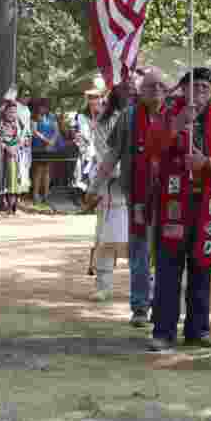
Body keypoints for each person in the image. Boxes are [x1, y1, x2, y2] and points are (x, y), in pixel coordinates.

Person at [147, 68, 211, 350]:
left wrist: (209, 163)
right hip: (174, 204)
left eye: (204, 87)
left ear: (210, 92)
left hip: (207, 205)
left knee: (202, 265)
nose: (199, 92)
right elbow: (151, 147)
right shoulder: (169, 114)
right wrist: (176, 125)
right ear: (183, 90)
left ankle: (198, 329)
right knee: (168, 268)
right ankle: (163, 331)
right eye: (194, 86)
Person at [85, 67, 170, 327]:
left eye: (160, 87)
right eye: (149, 87)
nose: (155, 92)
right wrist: (95, 186)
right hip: (134, 194)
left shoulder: (175, 117)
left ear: (167, 92)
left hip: (171, 197)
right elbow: (110, 156)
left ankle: (163, 304)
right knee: (138, 252)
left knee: (165, 252)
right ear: (139, 93)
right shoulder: (128, 118)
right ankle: (140, 306)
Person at [89, 82, 137, 302]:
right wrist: (117, 173)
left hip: (137, 187)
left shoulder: (142, 120)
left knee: (140, 238)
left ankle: (145, 284)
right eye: (130, 95)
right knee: (105, 238)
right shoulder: (102, 122)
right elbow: (104, 152)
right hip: (111, 186)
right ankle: (103, 284)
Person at [0, 93, 31, 214]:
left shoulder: (20, 124)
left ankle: (14, 204)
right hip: (2, 155)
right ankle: (3, 203)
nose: (12, 114)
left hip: (17, 154)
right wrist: (6, 146)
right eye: (10, 111)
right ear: (5, 112)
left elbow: (27, 138)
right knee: (3, 177)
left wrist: (18, 146)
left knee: (15, 178)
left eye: (14, 112)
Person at [30, 98, 62, 208]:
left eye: (46, 106)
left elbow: (56, 130)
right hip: (38, 146)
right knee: (38, 170)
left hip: (49, 147)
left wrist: (52, 141)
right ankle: (35, 194)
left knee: (47, 170)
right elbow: (34, 131)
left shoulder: (51, 116)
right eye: (42, 106)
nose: (44, 108)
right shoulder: (34, 116)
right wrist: (46, 140)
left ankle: (46, 194)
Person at [72, 90, 103, 195]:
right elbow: (76, 131)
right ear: (89, 101)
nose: (96, 101)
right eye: (93, 98)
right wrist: (77, 137)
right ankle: (84, 197)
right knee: (84, 173)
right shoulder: (81, 116)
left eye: (98, 98)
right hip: (86, 150)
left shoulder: (104, 115)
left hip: (100, 150)